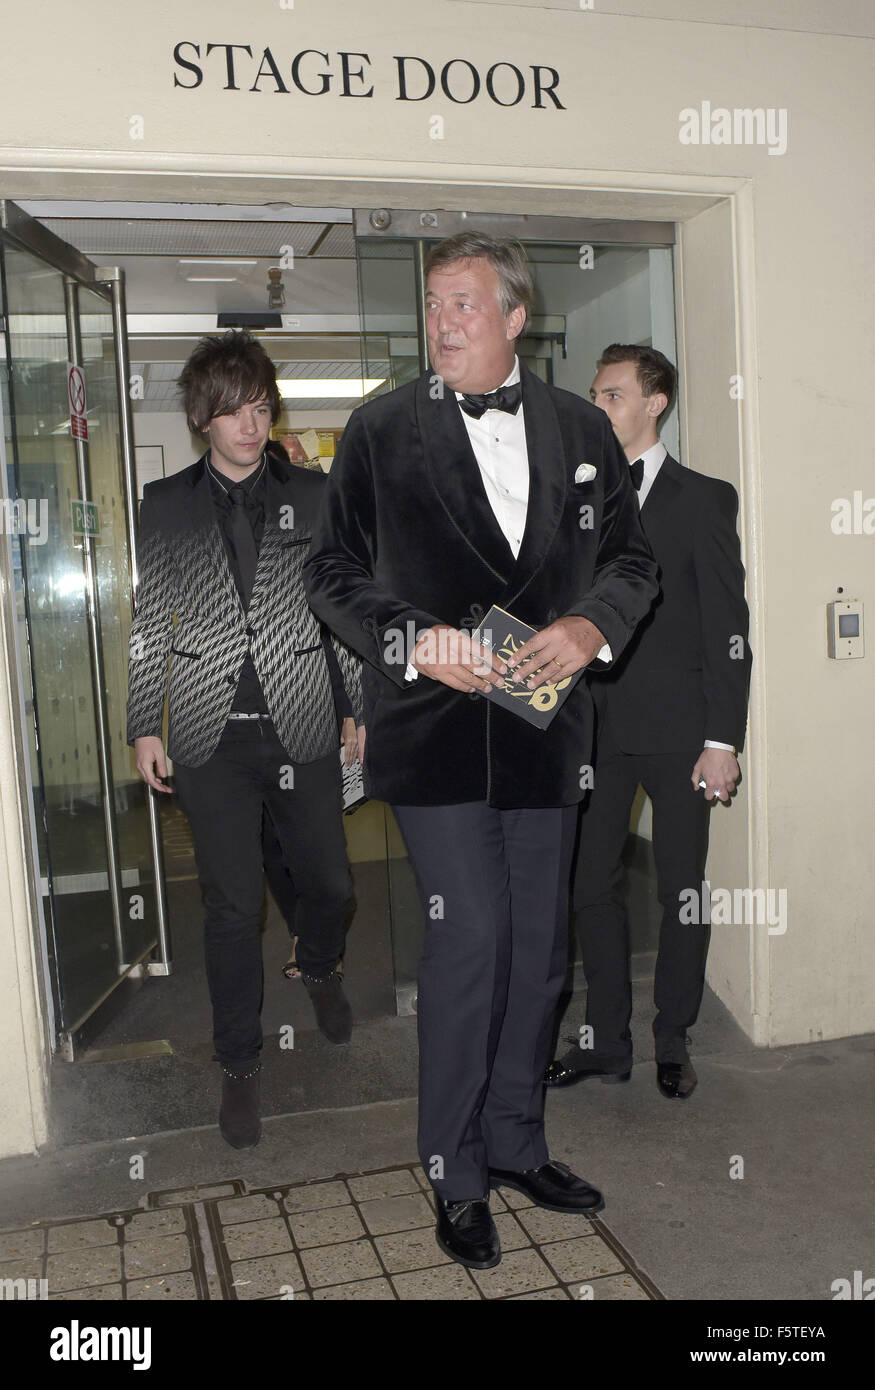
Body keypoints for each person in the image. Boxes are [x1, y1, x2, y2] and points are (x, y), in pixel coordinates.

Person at [303, 234, 658, 1269]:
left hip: (548, 730)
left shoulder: (581, 427)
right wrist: (411, 640)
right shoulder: (375, 430)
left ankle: (514, 1141)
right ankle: (453, 1169)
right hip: (434, 731)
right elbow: (330, 573)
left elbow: (630, 560)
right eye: (431, 304)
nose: (442, 321)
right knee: (471, 944)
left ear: (513, 318)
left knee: (538, 950)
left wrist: (588, 627)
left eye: (463, 303)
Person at [126, 330, 363, 1150]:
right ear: (202, 417)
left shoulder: (316, 493)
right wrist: (141, 724)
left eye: (261, 408)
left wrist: (356, 701)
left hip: (301, 726)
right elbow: (150, 621)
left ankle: (323, 964)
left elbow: (342, 609)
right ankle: (238, 1067)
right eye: (233, 412)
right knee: (230, 907)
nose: (250, 425)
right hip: (207, 735)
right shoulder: (167, 503)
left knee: (329, 885)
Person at [545, 344, 751, 1101]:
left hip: (680, 730)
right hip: (592, 730)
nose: (596, 405)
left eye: (611, 393)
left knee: (680, 889)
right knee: (588, 885)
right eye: (595, 393)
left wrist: (720, 741)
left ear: (654, 401)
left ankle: (672, 1037)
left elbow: (728, 626)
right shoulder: (574, 500)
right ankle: (603, 1041)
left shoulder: (703, 499)